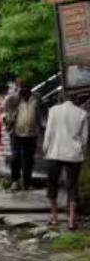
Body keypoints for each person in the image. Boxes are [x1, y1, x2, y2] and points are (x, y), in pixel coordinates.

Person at [43, 97, 88, 230]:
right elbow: (84, 139)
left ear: (60, 100)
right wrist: (80, 151)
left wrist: (46, 148)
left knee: (52, 184)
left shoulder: (53, 110)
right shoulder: (82, 113)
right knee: (72, 185)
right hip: (74, 154)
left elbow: (49, 132)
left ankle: (55, 217)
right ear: (77, 101)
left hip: (55, 152)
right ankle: (71, 220)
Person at [5, 83, 41, 191]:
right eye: (22, 89)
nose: (24, 91)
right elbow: (5, 108)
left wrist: (40, 128)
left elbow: (40, 115)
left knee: (28, 160)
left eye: (26, 89)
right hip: (16, 134)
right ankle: (15, 181)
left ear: (30, 91)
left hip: (31, 135)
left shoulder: (36, 100)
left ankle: (27, 182)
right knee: (15, 158)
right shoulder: (15, 101)